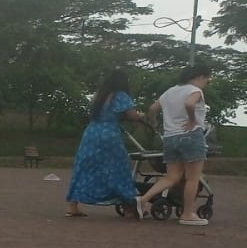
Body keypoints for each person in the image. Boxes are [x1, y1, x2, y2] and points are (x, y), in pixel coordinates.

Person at [138, 62, 213, 225]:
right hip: (191, 136)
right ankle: (187, 213)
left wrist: (154, 123)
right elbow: (189, 104)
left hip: (170, 137)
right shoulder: (195, 90)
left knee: (171, 176)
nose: (207, 82)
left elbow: (152, 109)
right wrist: (192, 120)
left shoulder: (170, 91)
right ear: (201, 76)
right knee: (192, 178)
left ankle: (143, 199)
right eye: (208, 79)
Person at [64, 69, 143, 218]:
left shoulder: (98, 95)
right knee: (118, 168)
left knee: (84, 166)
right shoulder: (120, 96)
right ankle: (128, 206)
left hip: (91, 132)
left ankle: (72, 205)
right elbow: (132, 115)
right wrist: (141, 116)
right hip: (109, 134)